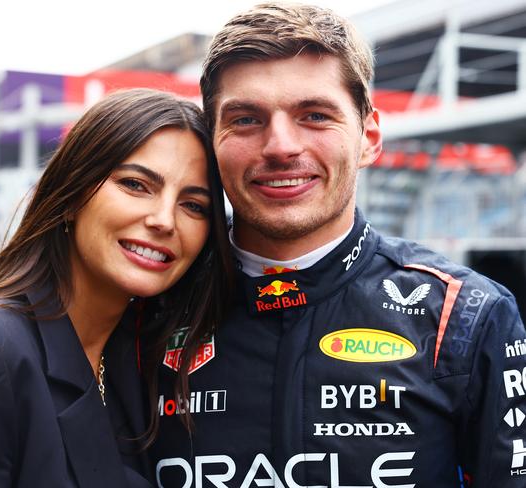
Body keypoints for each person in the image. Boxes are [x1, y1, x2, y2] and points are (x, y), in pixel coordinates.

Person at [150, 3, 526, 487]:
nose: (281, 146)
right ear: (212, 140)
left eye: (314, 115)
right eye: (246, 119)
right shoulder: (145, 305)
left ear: (368, 137)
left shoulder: (467, 315)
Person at [0, 88, 233, 488]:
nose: (164, 220)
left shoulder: (136, 363)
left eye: (194, 205)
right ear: (72, 194)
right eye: (136, 185)